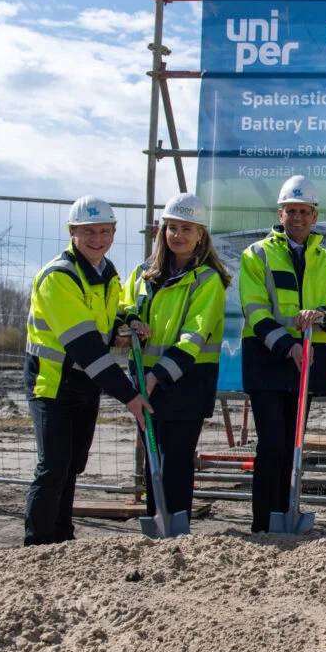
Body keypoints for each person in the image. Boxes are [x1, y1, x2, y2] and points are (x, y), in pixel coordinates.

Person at [23, 196, 151, 546]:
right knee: (53, 468)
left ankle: (62, 539)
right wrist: (129, 396)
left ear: (113, 232)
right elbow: (87, 348)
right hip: (52, 382)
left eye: (105, 231)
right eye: (89, 231)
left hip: (86, 383)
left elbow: (109, 317)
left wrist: (129, 323)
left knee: (73, 466)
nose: (98, 238)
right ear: (72, 233)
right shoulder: (59, 277)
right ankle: (36, 546)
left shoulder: (106, 273)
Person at [238, 175, 326, 533]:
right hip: (268, 359)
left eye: (304, 211)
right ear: (280, 213)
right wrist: (286, 344)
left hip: (307, 362)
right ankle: (265, 522)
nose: (298, 217)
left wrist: (323, 315)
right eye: (291, 211)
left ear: (315, 215)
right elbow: (255, 310)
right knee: (272, 444)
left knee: (292, 446)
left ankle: (286, 514)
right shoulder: (257, 254)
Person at [119, 193, 230, 529]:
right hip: (146, 379)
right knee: (153, 456)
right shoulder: (142, 274)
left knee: (176, 459)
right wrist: (128, 325)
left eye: (187, 228)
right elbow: (122, 310)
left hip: (187, 383)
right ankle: (157, 521)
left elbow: (194, 336)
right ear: (162, 231)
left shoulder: (207, 280)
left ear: (200, 235)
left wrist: (158, 376)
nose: (178, 235)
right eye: (172, 228)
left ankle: (176, 526)